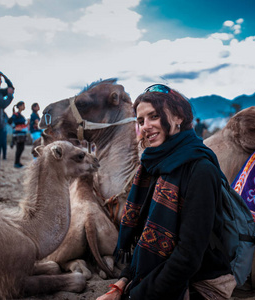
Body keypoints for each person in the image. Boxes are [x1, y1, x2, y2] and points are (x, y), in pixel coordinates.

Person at [97, 84, 235, 300]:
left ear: (179, 117)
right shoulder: (153, 166)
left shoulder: (200, 169)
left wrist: (136, 295)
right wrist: (122, 284)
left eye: (154, 116)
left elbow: (188, 257)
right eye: (141, 121)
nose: (146, 126)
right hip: (159, 273)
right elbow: (145, 239)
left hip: (200, 281)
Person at [8, 101, 27, 168]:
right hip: (18, 134)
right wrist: (14, 128)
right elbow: (9, 121)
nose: (24, 107)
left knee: (21, 148)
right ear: (19, 106)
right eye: (23, 105)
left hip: (22, 134)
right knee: (19, 148)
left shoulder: (20, 115)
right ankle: (16, 163)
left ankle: (18, 162)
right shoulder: (16, 114)